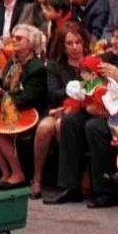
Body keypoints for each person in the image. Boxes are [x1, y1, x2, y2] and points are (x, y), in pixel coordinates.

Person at [46, 20, 118, 207]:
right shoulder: (108, 58)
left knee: (94, 127)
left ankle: (106, 191)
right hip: (101, 108)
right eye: (113, 36)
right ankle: (70, 187)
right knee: (70, 121)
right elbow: (89, 86)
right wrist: (80, 105)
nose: (113, 42)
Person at [0, 25, 48, 189]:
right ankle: (5, 172)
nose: (14, 40)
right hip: (12, 107)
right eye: (13, 37)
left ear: (31, 44)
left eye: (19, 38)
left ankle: (18, 173)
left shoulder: (37, 67)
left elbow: (28, 98)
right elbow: (9, 88)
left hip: (30, 112)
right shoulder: (12, 61)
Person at [32, 21, 89, 198]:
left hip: (84, 110)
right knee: (44, 128)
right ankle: (37, 178)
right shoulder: (55, 66)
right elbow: (54, 92)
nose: (75, 47)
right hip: (57, 108)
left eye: (78, 42)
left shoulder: (93, 62)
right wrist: (77, 88)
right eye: (69, 43)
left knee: (61, 125)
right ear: (62, 46)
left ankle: (73, 179)